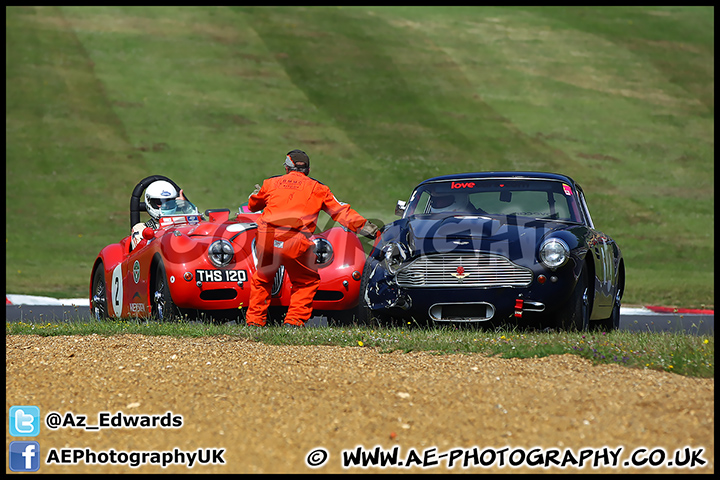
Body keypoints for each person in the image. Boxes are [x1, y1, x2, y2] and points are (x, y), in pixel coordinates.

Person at [245, 149, 379, 328]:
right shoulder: (318, 188)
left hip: (266, 238)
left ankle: (254, 322)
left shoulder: (271, 183)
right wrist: (369, 229)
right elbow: (341, 213)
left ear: (287, 167)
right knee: (306, 281)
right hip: (295, 240)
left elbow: (253, 206)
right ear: (307, 170)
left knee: (262, 278)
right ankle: (293, 323)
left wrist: (255, 195)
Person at [130, 180, 199, 249]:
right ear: (149, 202)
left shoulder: (182, 223)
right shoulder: (140, 228)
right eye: (159, 202)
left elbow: (199, 229)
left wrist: (186, 208)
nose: (165, 205)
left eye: (169, 201)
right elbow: (141, 253)